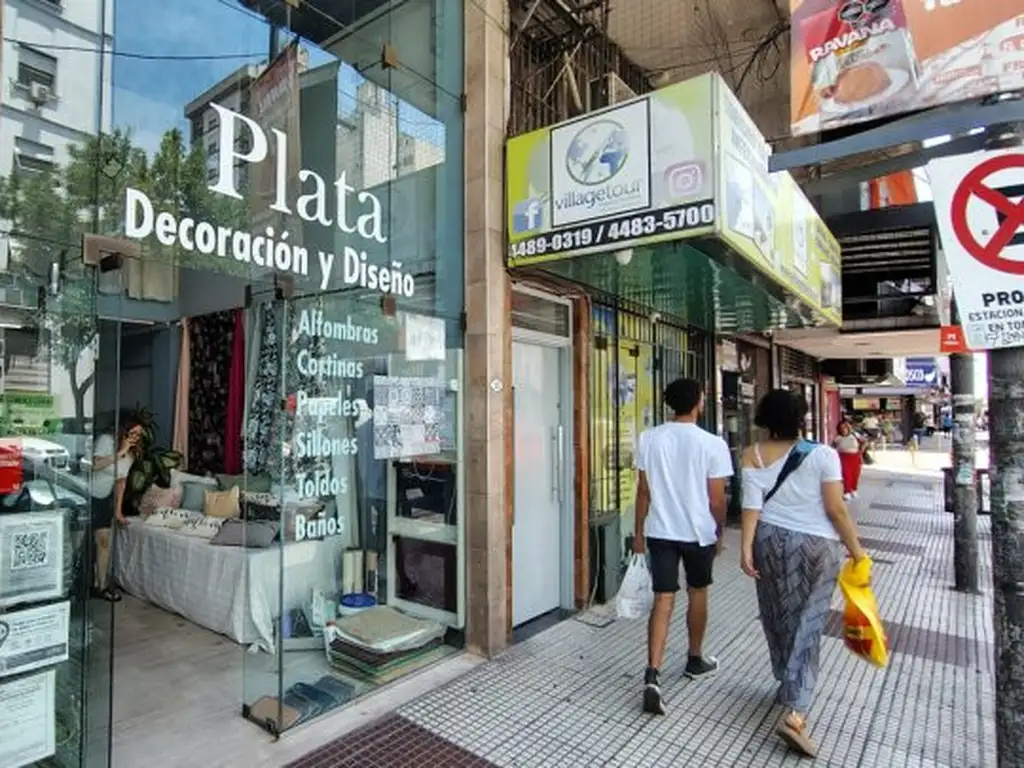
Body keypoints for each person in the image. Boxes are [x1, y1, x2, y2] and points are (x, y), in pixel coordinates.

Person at [740, 389, 868, 758]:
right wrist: (857, 551)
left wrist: (746, 547)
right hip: (815, 546)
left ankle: (787, 680)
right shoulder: (823, 454)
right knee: (808, 622)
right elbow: (836, 509)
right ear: (801, 417)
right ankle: (796, 712)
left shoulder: (752, 453)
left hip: (769, 541)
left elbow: (751, 507)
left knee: (776, 614)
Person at [632, 377, 733, 715]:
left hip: (660, 531)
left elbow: (643, 491)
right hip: (698, 534)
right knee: (697, 591)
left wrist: (638, 534)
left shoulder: (649, 438)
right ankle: (694, 658)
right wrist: (718, 532)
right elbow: (717, 499)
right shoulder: (712, 444)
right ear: (698, 403)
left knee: (663, 599)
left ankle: (652, 674)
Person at [89, 417, 141, 601]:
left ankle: (101, 585)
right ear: (124, 431)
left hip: (104, 498)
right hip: (86, 495)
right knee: (79, 543)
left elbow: (121, 482)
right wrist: (119, 453)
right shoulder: (106, 441)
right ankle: (74, 584)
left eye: (139, 435)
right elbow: (94, 465)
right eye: (133, 432)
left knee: (103, 542)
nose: (136, 437)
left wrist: (118, 511)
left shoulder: (131, 455)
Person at [832, 421, 863, 500]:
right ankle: (846, 492)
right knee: (846, 474)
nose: (843, 429)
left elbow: (864, 441)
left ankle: (853, 489)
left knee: (855, 475)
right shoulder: (837, 438)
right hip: (844, 458)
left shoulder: (854, 435)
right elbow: (832, 448)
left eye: (845, 427)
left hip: (855, 457)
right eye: (841, 428)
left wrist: (861, 451)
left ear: (848, 428)